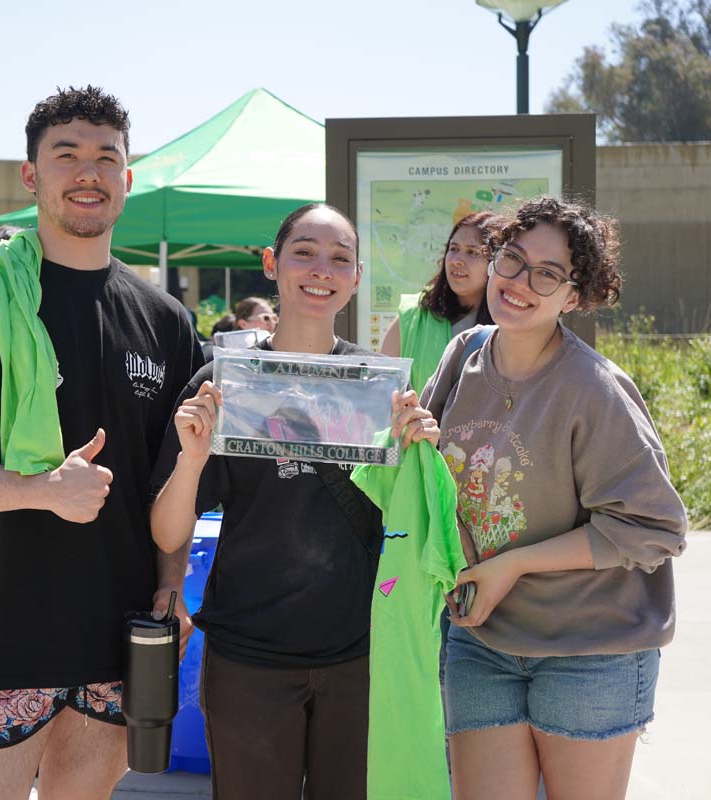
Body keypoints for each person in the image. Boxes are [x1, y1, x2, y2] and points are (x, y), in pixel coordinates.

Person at [0, 85, 202, 800]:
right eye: (67, 155)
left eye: (106, 157)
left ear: (127, 178)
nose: (89, 172)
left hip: (121, 636)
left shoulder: (166, 321)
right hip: (2, 634)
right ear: (31, 175)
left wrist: (172, 581)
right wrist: (40, 491)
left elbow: (172, 481)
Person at [150, 203, 438, 800]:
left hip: (360, 653)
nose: (321, 269)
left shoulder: (380, 388)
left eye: (339, 258)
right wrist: (192, 458)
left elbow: (414, 523)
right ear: (271, 263)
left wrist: (422, 455)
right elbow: (168, 531)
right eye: (304, 252)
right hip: (247, 656)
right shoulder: (224, 382)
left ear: (357, 277)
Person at [419, 197, 688, 799]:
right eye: (513, 259)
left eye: (547, 274)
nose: (520, 282)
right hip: (481, 640)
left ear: (573, 296)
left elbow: (655, 527)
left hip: (592, 648)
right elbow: (431, 476)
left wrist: (511, 566)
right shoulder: (461, 357)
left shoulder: (595, 389)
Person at [381, 211, 500, 392]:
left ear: (496, 263)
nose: (457, 261)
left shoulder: (509, 322)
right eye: (454, 249)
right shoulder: (413, 317)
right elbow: (382, 389)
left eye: (472, 252)